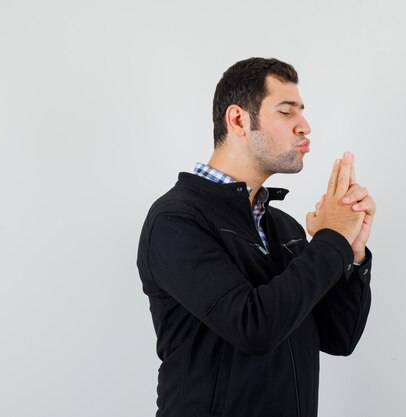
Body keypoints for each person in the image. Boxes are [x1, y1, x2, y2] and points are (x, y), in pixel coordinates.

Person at [137, 57, 377, 417]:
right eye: (286, 111)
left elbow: (337, 337)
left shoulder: (284, 227)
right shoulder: (176, 220)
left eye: (302, 111)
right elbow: (253, 327)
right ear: (238, 120)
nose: (304, 126)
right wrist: (330, 239)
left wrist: (350, 254)